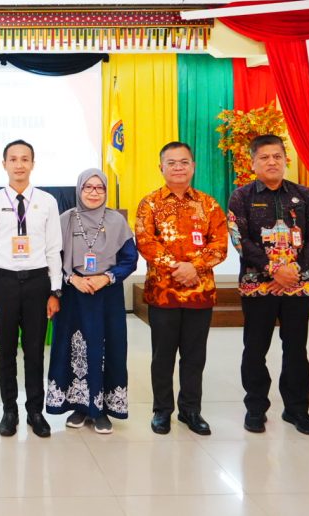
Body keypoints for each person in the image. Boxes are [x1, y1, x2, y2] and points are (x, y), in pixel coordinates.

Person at [228, 134, 309, 435]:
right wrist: (272, 270)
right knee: (255, 349)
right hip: (258, 286)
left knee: (296, 349)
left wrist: (294, 269)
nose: (272, 162)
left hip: (298, 283)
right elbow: (239, 240)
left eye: (277, 156)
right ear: (253, 163)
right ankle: (256, 408)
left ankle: (297, 409)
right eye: (265, 157)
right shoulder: (241, 197)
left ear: (285, 160)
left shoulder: (305, 195)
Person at [136, 141, 228, 436]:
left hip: (200, 293)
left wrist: (194, 267)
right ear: (161, 167)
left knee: (194, 356)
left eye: (184, 162)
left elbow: (220, 245)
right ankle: (162, 411)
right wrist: (178, 268)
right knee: (162, 356)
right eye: (172, 162)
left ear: (193, 166)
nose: (178, 167)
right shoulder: (149, 203)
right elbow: (146, 243)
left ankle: (191, 410)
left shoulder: (209, 204)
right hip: (163, 294)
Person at [0, 139, 62, 438]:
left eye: (25, 159)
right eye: (13, 159)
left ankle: (35, 411)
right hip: (4, 283)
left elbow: (53, 249)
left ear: (33, 164)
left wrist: (55, 291)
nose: (19, 164)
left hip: (38, 282)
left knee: (35, 351)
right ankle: (9, 410)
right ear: (4, 164)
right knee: (6, 352)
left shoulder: (47, 201)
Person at [46, 169, 138, 434]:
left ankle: (102, 411)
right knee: (73, 349)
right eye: (88, 187)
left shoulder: (117, 221)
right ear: (79, 189)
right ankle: (79, 407)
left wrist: (106, 277)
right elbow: (52, 257)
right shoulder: (65, 220)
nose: (94, 193)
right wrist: (71, 278)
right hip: (73, 295)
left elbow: (130, 259)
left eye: (100, 188)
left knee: (107, 349)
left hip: (106, 295)